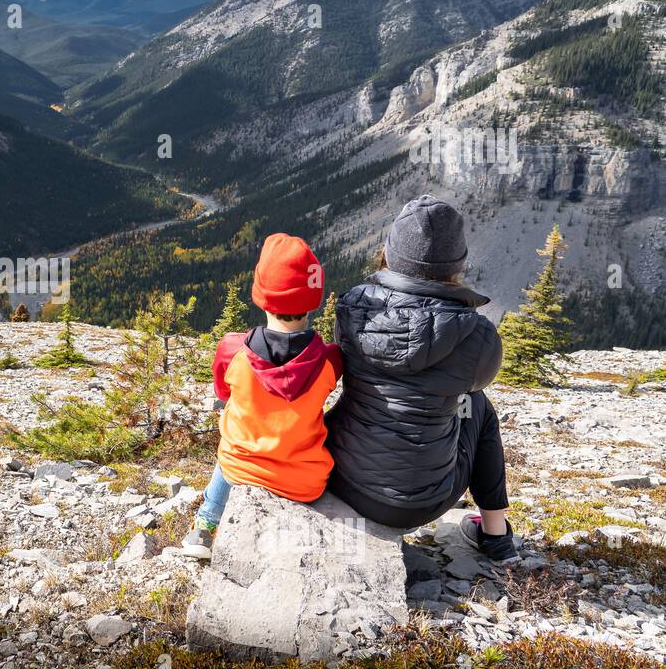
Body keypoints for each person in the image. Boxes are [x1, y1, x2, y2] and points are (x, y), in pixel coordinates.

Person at [325, 195, 518, 563]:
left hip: (343, 480)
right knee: (478, 406)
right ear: (457, 262)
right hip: (424, 501)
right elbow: (474, 385)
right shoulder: (477, 335)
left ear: (390, 252)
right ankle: (496, 535)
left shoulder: (352, 309)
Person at [182, 233, 342, 560]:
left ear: (261, 295)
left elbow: (223, 393)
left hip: (240, 470)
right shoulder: (330, 361)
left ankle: (205, 525)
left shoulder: (231, 350)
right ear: (313, 298)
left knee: (230, 441)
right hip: (305, 482)